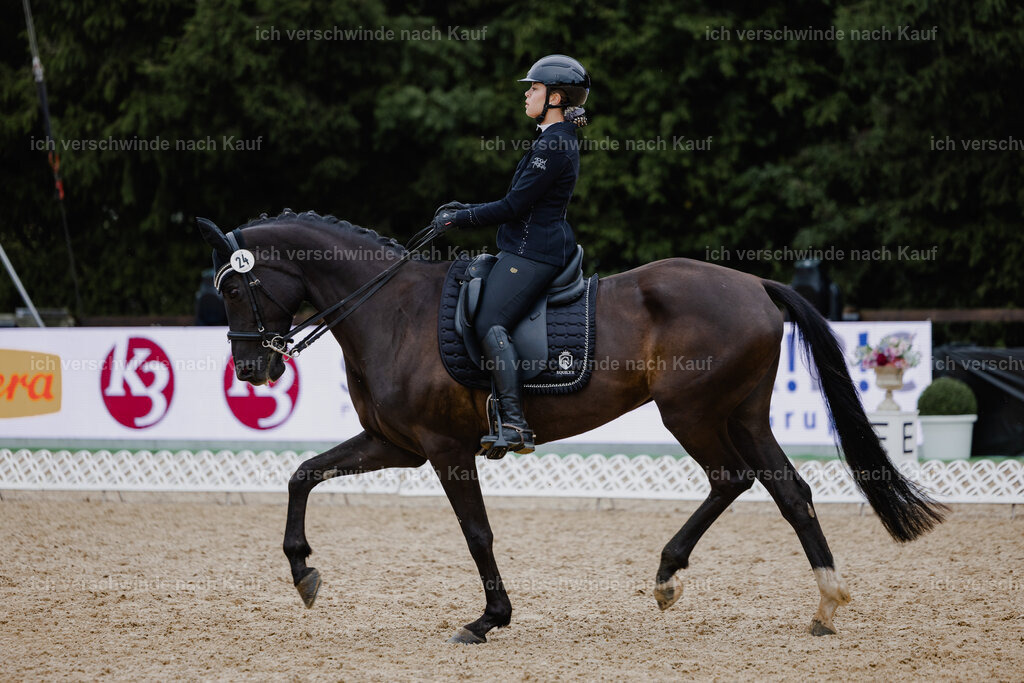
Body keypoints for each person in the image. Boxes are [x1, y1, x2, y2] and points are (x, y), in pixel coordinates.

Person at [433, 54, 590, 455]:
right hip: (525, 246)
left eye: (534, 88)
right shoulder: (552, 139)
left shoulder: (553, 145)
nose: (527, 94)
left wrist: (460, 218)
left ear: (555, 97)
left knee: (489, 323)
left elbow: (513, 206)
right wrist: (462, 209)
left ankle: (516, 425)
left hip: (534, 251)